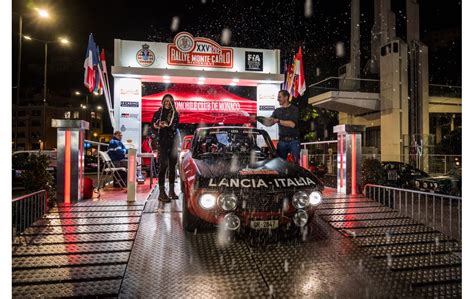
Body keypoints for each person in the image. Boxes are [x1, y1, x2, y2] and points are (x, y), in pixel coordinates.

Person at [152, 94, 180, 202]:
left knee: (173, 167)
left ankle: (171, 191)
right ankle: (161, 192)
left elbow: (174, 127)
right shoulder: (158, 113)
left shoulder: (175, 114)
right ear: (163, 102)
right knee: (163, 166)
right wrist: (156, 126)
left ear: (172, 102)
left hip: (172, 144)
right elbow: (152, 127)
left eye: (169, 101)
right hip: (162, 144)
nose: (167, 103)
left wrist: (166, 125)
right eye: (165, 101)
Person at [267, 90, 300, 164]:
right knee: (280, 164)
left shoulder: (294, 109)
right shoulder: (277, 111)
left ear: (286, 97)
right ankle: (283, 175)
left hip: (294, 141)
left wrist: (277, 120)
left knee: (295, 164)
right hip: (282, 141)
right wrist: (258, 118)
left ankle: (294, 175)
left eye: (279, 97)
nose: (278, 99)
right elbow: (269, 122)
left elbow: (292, 124)